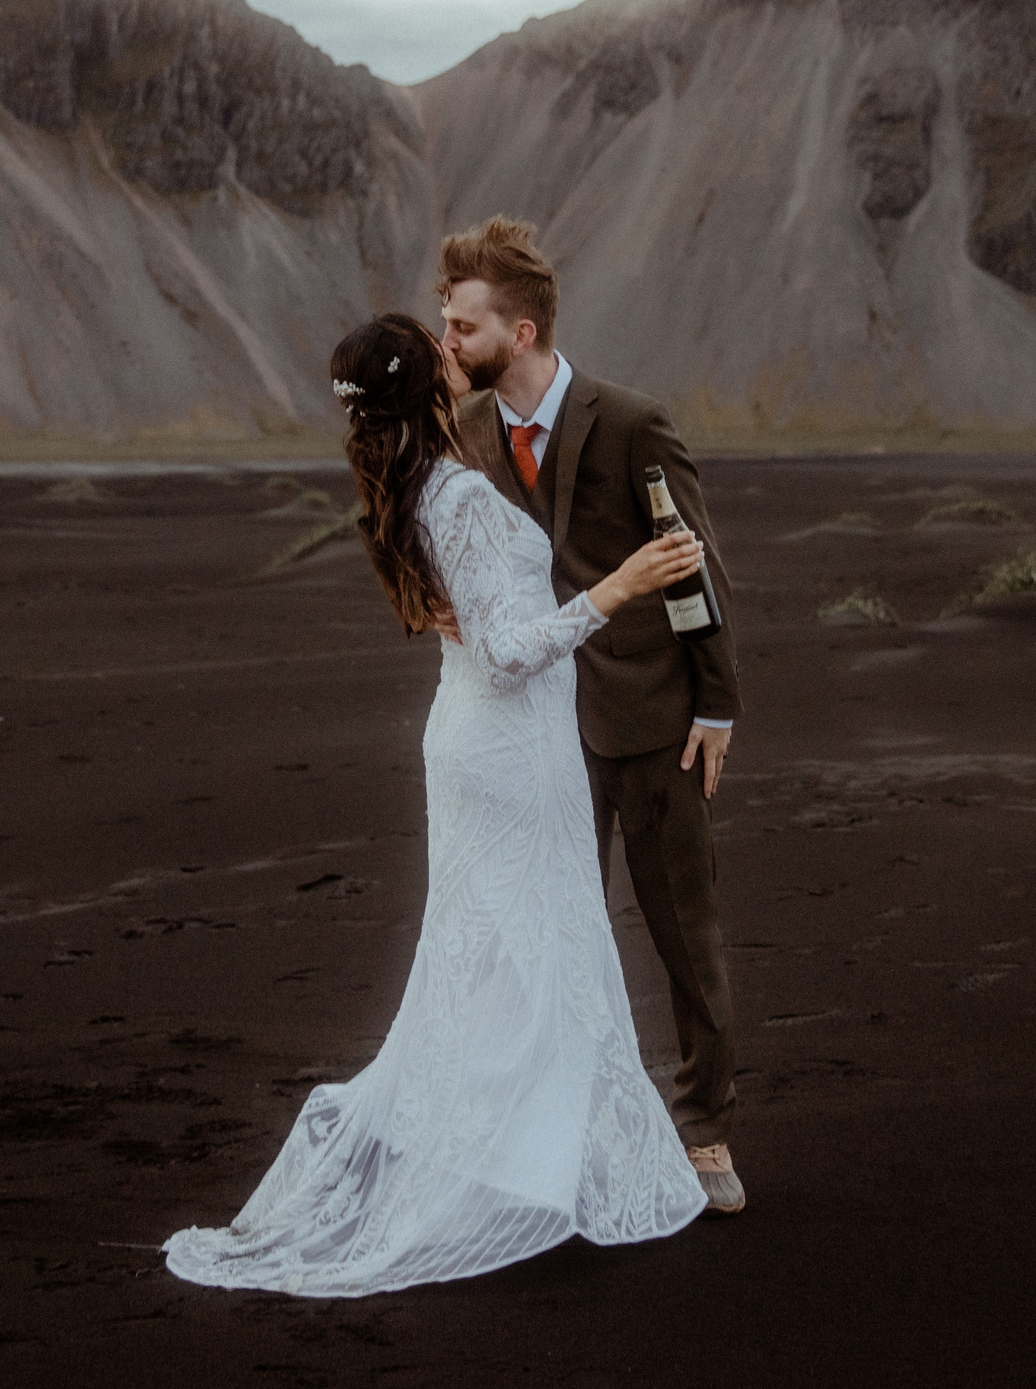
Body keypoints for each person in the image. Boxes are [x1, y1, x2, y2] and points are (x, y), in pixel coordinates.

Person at [162, 312, 710, 1298]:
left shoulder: (417, 486)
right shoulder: (451, 495)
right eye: (444, 349)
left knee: (508, 951)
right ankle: (527, 1164)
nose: (460, 356)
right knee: (535, 944)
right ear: (426, 390)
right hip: (505, 751)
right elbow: (504, 654)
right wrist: (623, 584)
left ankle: (523, 1153)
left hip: (482, 748)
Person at [436, 218, 747, 1214]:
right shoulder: (469, 437)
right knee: (542, 944)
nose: (448, 340)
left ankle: (704, 1133)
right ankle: (553, 1143)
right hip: (532, 729)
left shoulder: (632, 422)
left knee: (681, 934)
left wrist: (718, 703)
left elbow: (695, 565)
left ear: (519, 332)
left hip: (651, 719)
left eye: (462, 326)